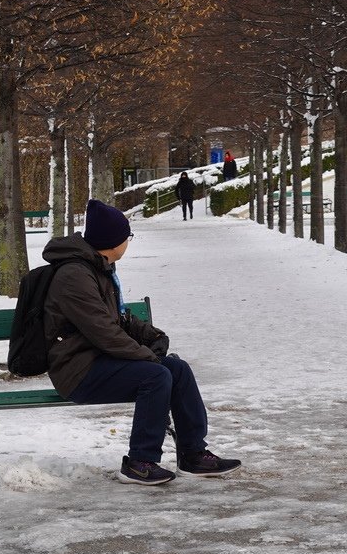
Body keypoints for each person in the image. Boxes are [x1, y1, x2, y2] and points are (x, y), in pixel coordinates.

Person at [42, 199, 242, 486]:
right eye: (127, 237)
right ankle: (140, 462)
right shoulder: (75, 276)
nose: (128, 242)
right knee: (156, 374)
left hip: (98, 359)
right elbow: (103, 332)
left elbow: (118, 319)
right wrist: (146, 356)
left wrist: (152, 337)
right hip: (78, 370)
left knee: (177, 369)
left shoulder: (96, 268)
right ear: (112, 241)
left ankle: (193, 453)